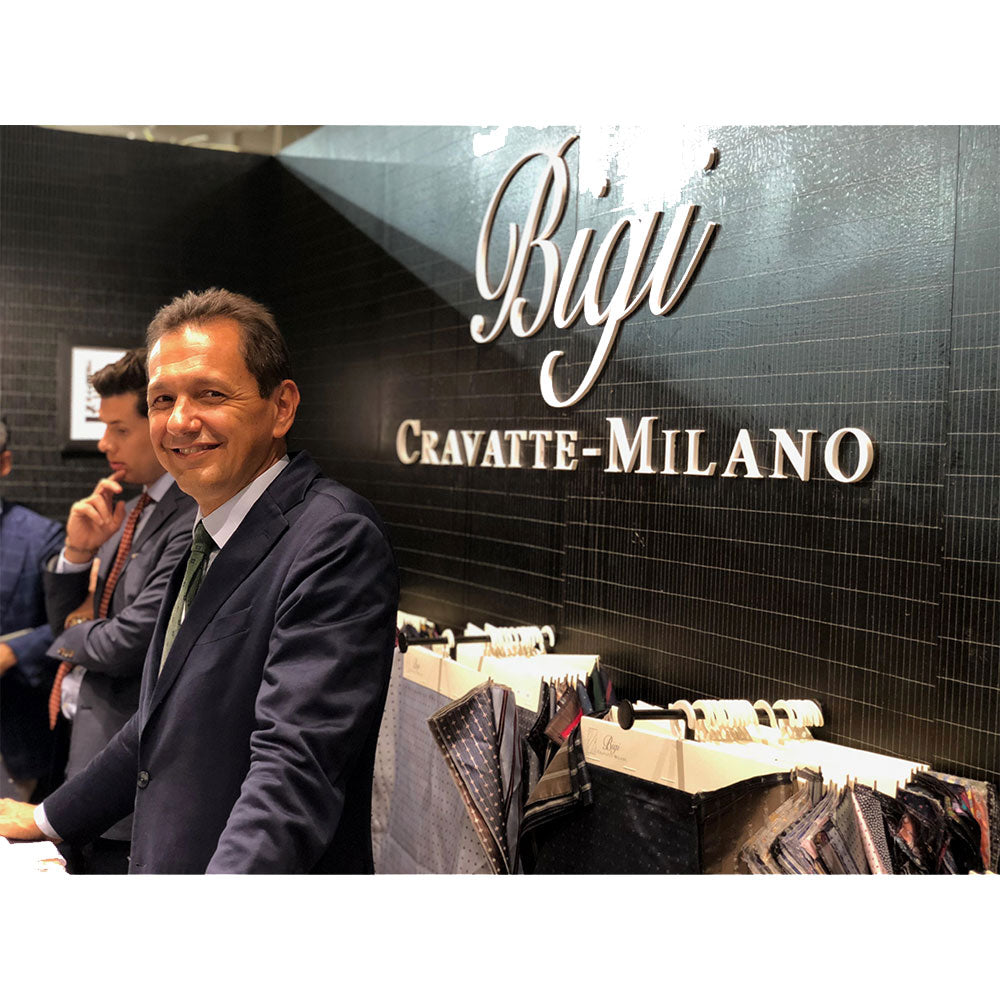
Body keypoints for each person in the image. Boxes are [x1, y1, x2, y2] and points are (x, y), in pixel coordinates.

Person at [0, 288, 399, 873]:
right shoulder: (209, 527)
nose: (180, 420)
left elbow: (292, 769)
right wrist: (45, 819)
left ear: (281, 407)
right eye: (162, 399)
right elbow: (159, 722)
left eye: (211, 394)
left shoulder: (335, 537)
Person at [41, 349, 197, 873]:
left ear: (158, 424)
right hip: (82, 752)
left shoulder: (192, 518)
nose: (104, 444)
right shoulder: (128, 511)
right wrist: (77, 553)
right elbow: (70, 620)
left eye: (119, 429)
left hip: (132, 779)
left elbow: (128, 642)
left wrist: (76, 631)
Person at [0, 417, 64, 803]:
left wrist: (11, 652)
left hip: (14, 739)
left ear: (4, 463)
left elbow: (70, 622)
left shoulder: (42, 537)